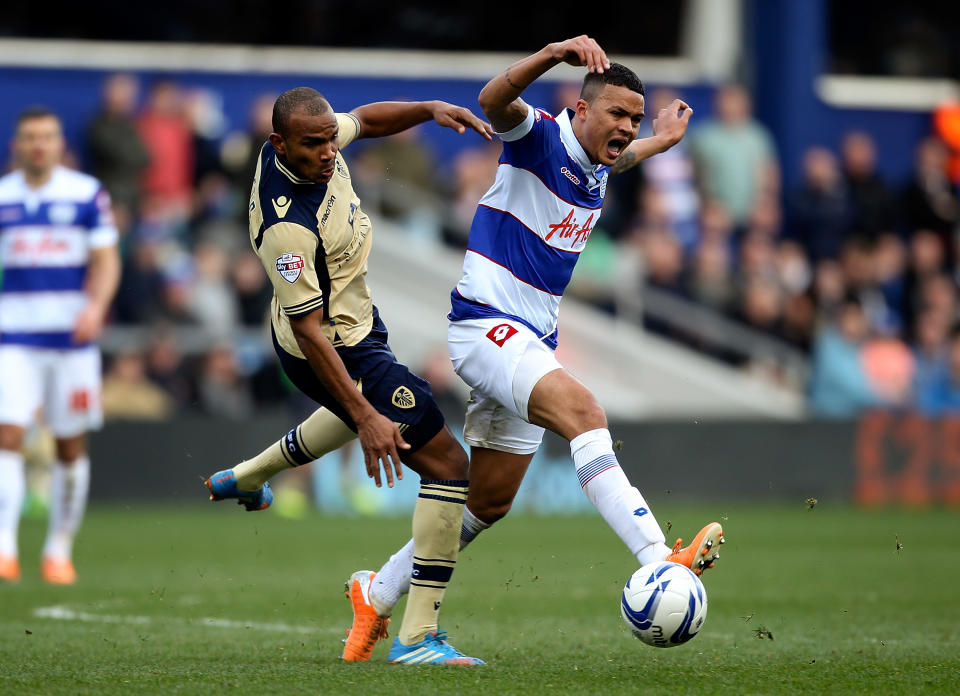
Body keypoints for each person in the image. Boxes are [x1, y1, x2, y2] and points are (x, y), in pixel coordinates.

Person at [206, 37, 724, 662]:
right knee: (583, 414)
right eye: (617, 114)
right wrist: (552, 54)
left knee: (487, 501)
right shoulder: (539, 137)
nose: (627, 128)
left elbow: (612, 160)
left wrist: (656, 142)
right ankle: (657, 556)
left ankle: (377, 589)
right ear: (580, 111)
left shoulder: (595, 160)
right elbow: (494, 99)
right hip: (485, 326)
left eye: (634, 119)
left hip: (526, 337)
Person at [203, 87, 494, 665]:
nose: (329, 151)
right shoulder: (288, 225)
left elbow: (363, 119)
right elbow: (310, 332)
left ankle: (246, 476)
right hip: (330, 345)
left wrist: (428, 111)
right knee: (448, 465)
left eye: (330, 139)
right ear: (278, 144)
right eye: (314, 145)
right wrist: (364, 417)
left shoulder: (316, 137)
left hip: (356, 324)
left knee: (377, 415)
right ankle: (416, 637)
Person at [0, 108, 122, 584]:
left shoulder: (86, 193)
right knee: (7, 435)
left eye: (47, 137)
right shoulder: (3, 196)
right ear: (17, 143)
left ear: (58, 144)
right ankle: (5, 547)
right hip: (13, 339)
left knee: (69, 446)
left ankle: (57, 549)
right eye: (30, 137)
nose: (38, 145)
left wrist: (95, 307)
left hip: (72, 341)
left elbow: (107, 261)